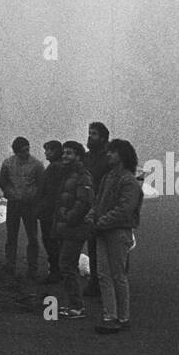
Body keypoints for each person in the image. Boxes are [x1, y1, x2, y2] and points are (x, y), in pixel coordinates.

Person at [91, 138, 143, 334]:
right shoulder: (109, 177)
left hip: (118, 231)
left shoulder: (129, 181)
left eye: (113, 152)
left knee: (118, 275)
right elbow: (98, 202)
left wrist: (99, 222)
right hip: (104, 230)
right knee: (104, 274)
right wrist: (93, 217)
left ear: (123, 155)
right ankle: (110, 316)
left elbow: (124, 210)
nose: (108, 155)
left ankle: (122, 317)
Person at [53, 141, 95, 319]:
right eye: (64, 153)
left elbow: (84, 202)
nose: (64, 156)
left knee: (67, 265)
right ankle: (73, 304)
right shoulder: (68, 174)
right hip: (66, 226)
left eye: (69, 153)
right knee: (66, 265)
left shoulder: (83, 176)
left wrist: (68, 218)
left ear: (78, 156)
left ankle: (77, 307)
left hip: (75, 227)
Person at [0, 137, 46, 279]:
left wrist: (34, 198)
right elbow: (3, 181)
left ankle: (33, 267)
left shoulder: (37, 164)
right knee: (11, 235)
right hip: (13, 204)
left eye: (27, 149)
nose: (26, 153)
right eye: (22, 151)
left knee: (32, 236)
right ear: (16, 151)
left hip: (29, 205)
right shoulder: (8, 163)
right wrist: (9, 193)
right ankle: (10, 265)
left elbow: (41, 184)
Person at [83, 122, 111, 297]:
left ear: (102, 137)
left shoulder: (110, 158)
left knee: (107, 248)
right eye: (89, 133)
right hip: (90, 207)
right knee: (92, 246)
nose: (89, 137)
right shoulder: (87, 157)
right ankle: (95, 282)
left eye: (93, 134)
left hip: (106, 207)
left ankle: (107, 285)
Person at [38, 140, 66, 282]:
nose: (45, 152)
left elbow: (51, 192)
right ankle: (57, 270)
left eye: (48, 150)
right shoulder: (56, 166)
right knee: (52, 241)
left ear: (55, 151)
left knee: (50, 241)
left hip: (50, 212)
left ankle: (56, 271)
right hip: (51, 211)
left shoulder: (55, 167)